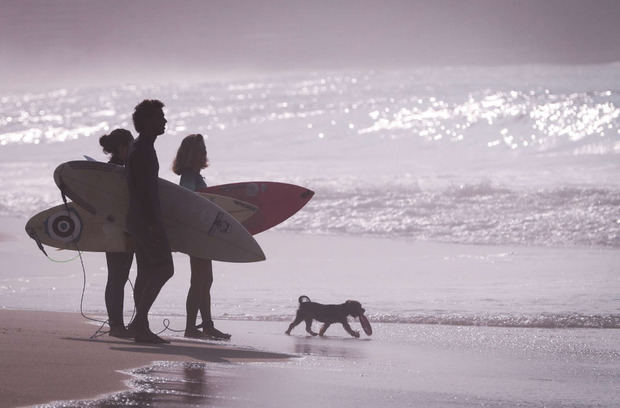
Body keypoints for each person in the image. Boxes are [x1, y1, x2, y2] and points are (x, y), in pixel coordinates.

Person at [172, 134, 231, 340]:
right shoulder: (189, 175)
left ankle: (206, 325)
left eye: (204, 148)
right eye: (199, 149)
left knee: (204, 280)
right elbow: (188, 199)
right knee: (199, 280)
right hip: (196, 234)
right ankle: (191, 327)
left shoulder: (196, 175)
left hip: (202, 234)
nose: (203, 152)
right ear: (190, 154)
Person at [126, 99, 174, 344]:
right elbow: (145, 192)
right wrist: (155, 223)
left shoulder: (141, 147)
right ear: (146, 122)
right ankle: (139, 322)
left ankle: (140, 325)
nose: (164, 121)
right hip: (146, 221)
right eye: (159, 117)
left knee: (146, 271)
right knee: (165, 269)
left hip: (139, 220)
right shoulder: (143, 150)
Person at [98, 129, 135, 338]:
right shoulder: (120, 171)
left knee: (117, 277)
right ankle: (117, 326)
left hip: (112, 226)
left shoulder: (108, 169)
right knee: (117, 277)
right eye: (132, 146)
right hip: (119, 228)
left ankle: (117, 324)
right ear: (123, 148)